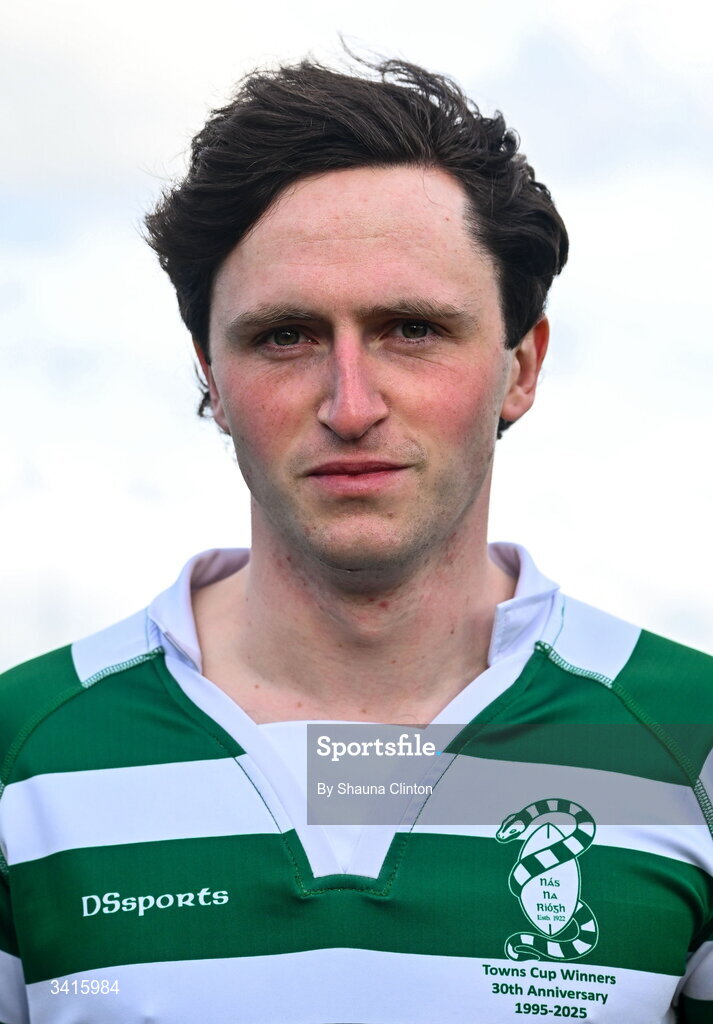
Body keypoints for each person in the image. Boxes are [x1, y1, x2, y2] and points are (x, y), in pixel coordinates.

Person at [0, 55, 711, 1024]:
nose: (350, 403)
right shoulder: (24, 755)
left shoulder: (690, 740)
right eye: (285, 335)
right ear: (209, 372)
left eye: (410, 328)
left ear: (520, 366)